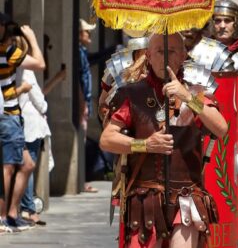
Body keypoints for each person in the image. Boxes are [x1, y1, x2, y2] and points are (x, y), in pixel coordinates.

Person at [100, 33, 228, 247]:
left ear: (183, 56)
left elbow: (221, 128)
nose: (166, 57)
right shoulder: (132, 94)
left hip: (186, 195)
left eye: (172, 51)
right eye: (160, 51)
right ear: (149, 55)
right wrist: (144, 145)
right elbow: (107, 139)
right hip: (144, 197)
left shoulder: (196, 93)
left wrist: (187, 97)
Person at [0, 14, 46, 232]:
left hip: (12, 116)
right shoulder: (7, 51)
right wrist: (32, 38)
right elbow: (40, 63)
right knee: (8, 168)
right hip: (7, 116)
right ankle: (3, 217)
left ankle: (10, 213)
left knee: (26, 164)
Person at [18, 69, 50, 226]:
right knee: (28, 167)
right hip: (30, 125)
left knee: (21, 167)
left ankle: (25, 207)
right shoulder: (26, 72)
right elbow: (39, 100)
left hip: (19, 123)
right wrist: (44, 107)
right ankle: (29, 209)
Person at [78, 18, 98, 193]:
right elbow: (78, 81)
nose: (89, 35)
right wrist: (82, 103)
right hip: (82, 103)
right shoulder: (78, 53)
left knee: (83, 141)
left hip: (84, 102)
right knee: (81, 140)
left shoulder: (82, 52)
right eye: (86, 31)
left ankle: (81, 181)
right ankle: (80, 181)